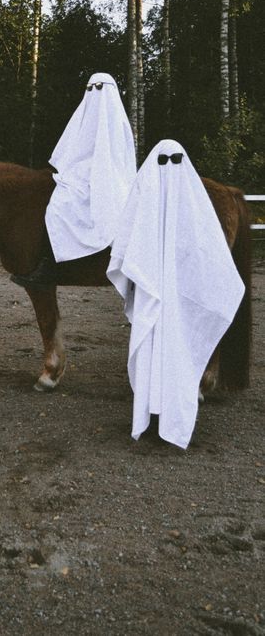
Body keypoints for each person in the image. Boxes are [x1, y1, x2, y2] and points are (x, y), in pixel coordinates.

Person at [106, 139, 245, 449]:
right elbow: (129, 244)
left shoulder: (194, 208)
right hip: (150, 296)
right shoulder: (146, 200)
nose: (169, 168)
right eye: (163, 161)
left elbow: (209, 257)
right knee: (151, 349)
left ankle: (176, 418)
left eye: (175, 161)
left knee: (178, 351)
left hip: (179, 301)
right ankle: (151, 413)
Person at [12, 72, 136, 288]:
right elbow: (71, 152)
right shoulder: (83, 117)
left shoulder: (118, 122)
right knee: (56, 207)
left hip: (114, 179)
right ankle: (49, 265)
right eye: (91, 88)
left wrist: (102, 176)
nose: (95, 93)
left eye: (100, 88)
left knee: (112, 207)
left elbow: (121, 159)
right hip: (80, 176)